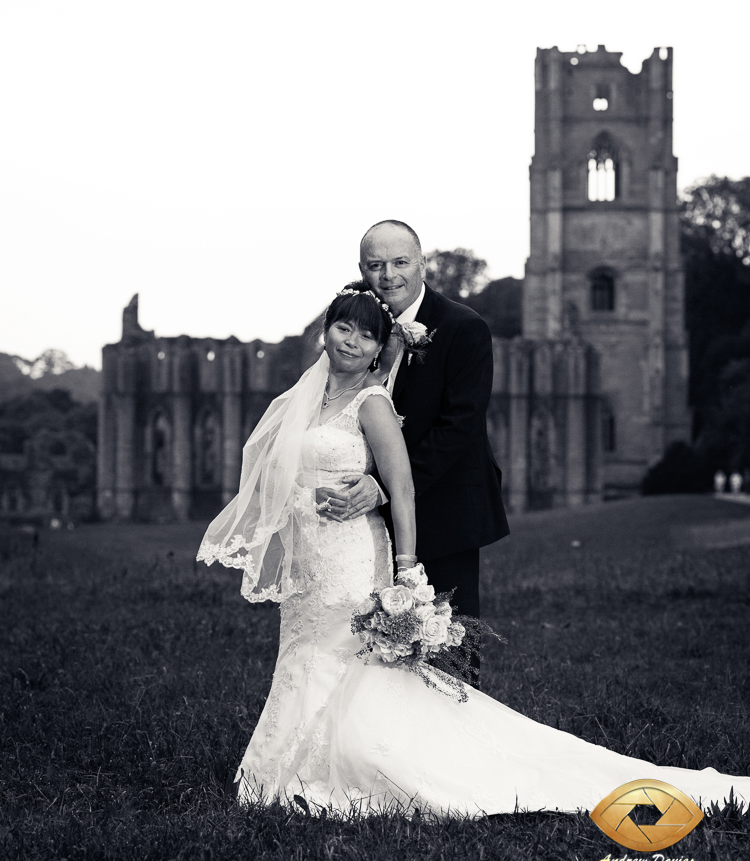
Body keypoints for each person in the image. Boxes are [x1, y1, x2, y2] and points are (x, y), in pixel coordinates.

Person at [197, 285, 749, 818]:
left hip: (351, 554)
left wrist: (406, 572)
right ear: (325, 330)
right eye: (342, 327)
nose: (350, 341)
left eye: (365, 336)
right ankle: (283, 766)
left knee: (356, 663)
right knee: (304, 655)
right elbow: (280, 472)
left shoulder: (372, 401)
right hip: (311, 559)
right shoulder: (304, 398)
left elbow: (404, 485)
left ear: (377, 347)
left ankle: (366, 765)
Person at [316, 221, 509, 644]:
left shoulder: (463, 327)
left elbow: (459, 427)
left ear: (422, 263)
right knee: (378, 651)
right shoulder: (356, 330)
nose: (389, 276)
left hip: (445, 507)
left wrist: (383, 486)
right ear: (362, 269)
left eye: (401, 262)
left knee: (445, 647)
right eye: (376, 265)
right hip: (364, 526)